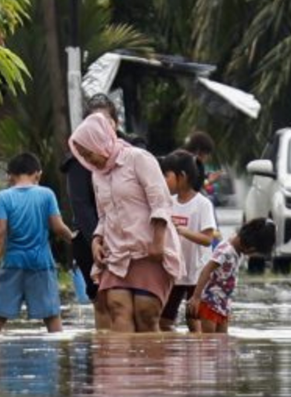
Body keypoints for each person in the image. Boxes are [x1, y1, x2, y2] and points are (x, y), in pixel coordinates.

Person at [69, 112, 183, 333]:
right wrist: (96, 240)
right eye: (82, 155)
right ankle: (122, 367)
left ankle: (152, 366)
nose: (87, 159)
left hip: (149, 250)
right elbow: (104, 215)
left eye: (87, 152)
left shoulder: (138, 159)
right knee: (117, 308)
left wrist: (158, 242)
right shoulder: (97, 175)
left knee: (146, 313)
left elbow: (160, 202)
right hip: (117, 253)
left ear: (99, 140)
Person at [0, 152, 75, 332]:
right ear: (38, 173)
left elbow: (0, 231)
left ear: (10, 175)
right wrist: (75, 239)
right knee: (52, 317)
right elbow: (58, 227)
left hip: (13, 263)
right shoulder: (46, 194)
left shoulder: (3, 197)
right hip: (41, 263)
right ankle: (53, 360)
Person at [62, 95, 123, 329]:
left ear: (115, 123)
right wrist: (98, 242)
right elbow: (81, 205)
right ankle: (105, 358)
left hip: (130, 239)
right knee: (103, 301)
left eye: (106, 121)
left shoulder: (133, 153)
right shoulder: (79, 161)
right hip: (93, 241)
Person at [158, 150, 217, 332]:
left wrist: (183, 231)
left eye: (166, 176)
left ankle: (197, 358)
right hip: (174, 273)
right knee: (163, 321)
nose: (163, 181)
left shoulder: (202, 204)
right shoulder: (169, 201)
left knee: (194, 321)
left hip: (196, 274)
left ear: (182, 177)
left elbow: (207, 239)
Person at [189, 218, 276, 334]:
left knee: (222, 341)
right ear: (250, 248)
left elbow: (259, 227)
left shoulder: (238, 248)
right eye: (253, 253)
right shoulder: (226, 251)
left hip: (223, 303)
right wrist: (196, 297)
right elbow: (206, 270)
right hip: (209, 302)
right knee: (209, 341)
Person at [183, 130, 227, 205]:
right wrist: (209, 181)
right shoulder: (194, 165)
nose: (208, 157)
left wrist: (208, 179)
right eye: (207, 153)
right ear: (199, 151)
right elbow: (195, 187)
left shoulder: (185, 161)